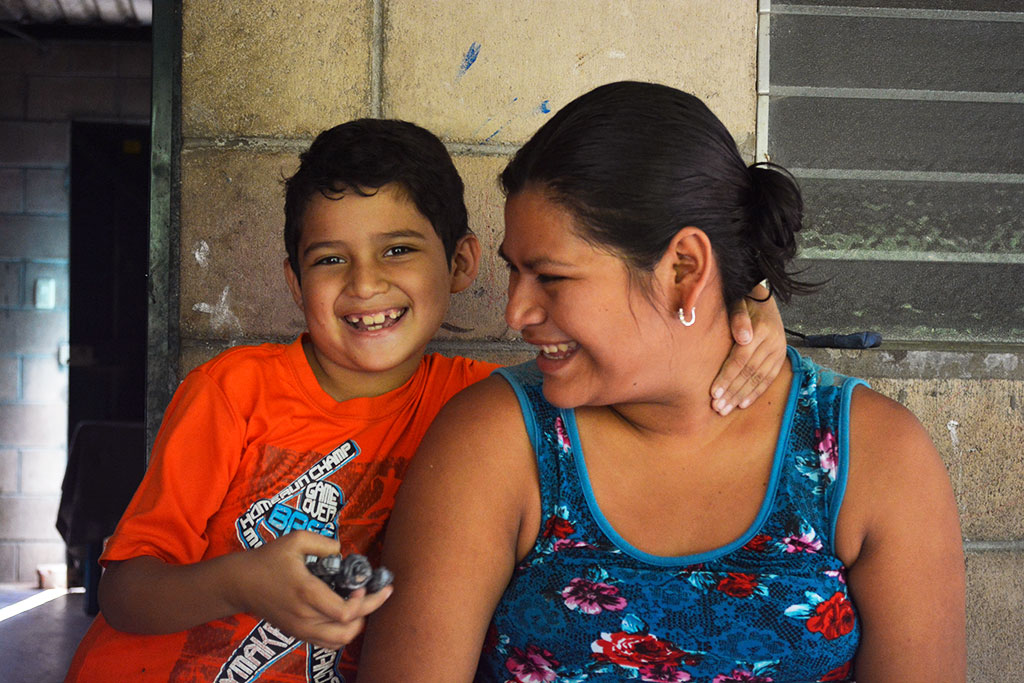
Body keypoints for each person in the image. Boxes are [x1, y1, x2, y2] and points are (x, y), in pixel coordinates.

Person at [65, 117, 785, 682]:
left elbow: (631, 365)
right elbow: (124, 591)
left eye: (398, 249)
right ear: (293, 280)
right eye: (329, 259)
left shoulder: (481, 405)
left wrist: (751, 302)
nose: (365, 284)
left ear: (464, 261)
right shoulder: (234, 390)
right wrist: (239, 581)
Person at [358, 82, 966, 682]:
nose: (515, 313)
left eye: (551, 277)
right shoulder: (498, 441)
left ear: (683, 270)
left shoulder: (870, 457)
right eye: (515, 272)